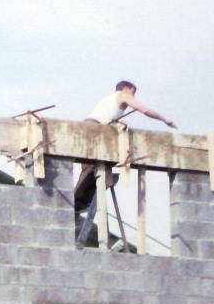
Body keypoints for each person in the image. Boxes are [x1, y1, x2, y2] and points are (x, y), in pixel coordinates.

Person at [75, 80, 178, 212]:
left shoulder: (108, 101)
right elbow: (144, 110)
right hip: (96, 129)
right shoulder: (123, 95)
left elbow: (108, 119)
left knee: (90, 168)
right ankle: (79, 202)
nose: (133, 96)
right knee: (96, 167)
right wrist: (164, 119)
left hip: (88, 127)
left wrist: (118, 122)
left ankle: (79, 203)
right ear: (125, 88)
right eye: (133, 93)